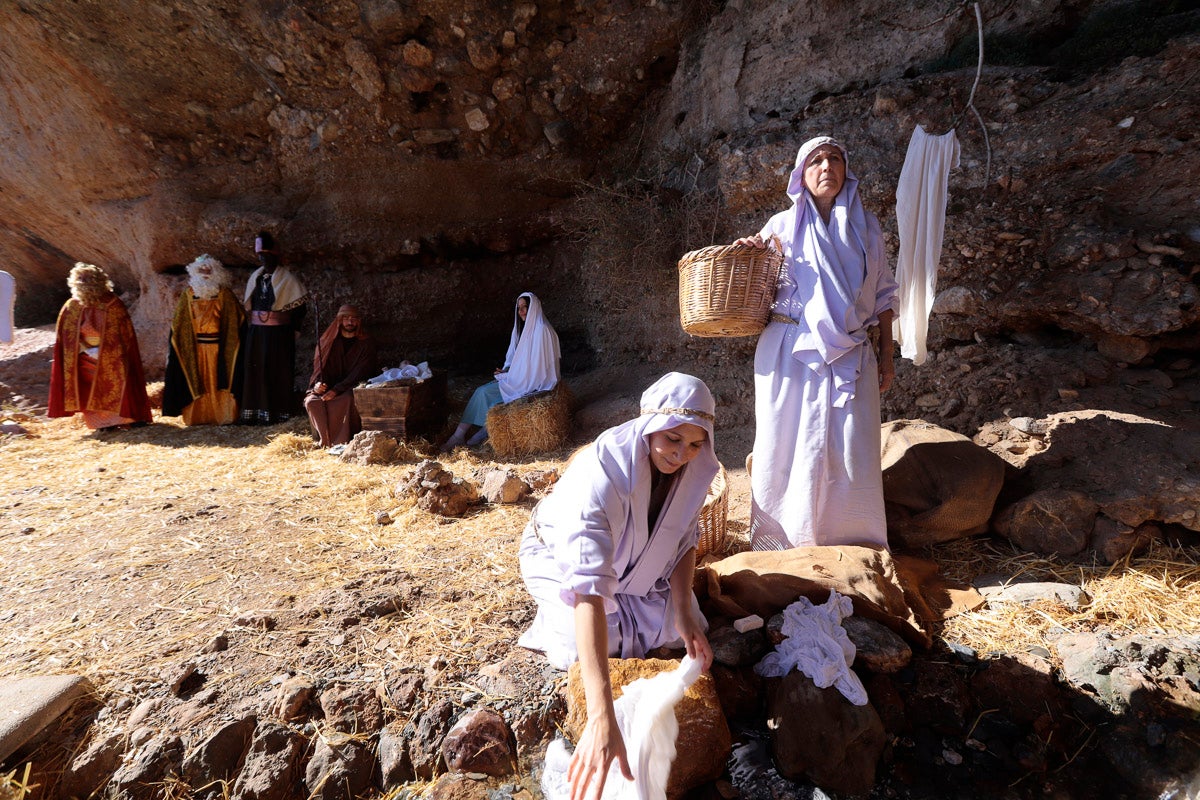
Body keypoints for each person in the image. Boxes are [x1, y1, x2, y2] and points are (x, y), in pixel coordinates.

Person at [518, 372, 719, 799]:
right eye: (672, 440)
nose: (682, 454)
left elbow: (684, 538)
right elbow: (588, 589)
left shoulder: (692, 470)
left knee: (685, 625)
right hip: (557, 558)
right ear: (649, 425)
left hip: (636, 567)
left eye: (695, 444)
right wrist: (600, 715)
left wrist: (683, 606)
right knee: (582, 646)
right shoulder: (603, 473)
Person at [735, 135, 898, 550]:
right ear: (801, 176)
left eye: (835, 159)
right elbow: (756, 280)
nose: (827, 167)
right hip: (791, 350)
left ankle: (851, 542)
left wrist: (887, 357)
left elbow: (883, 296)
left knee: (850, 448)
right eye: (817, 161)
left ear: (847, 170)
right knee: (785, 442)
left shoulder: (867, 228)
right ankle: (782, 544)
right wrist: (749, 252)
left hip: (852, 353)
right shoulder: (780, 226)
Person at [441, 291, 559, 450]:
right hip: (520, 378)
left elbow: (537, 369)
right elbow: (521, 362)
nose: (521, 311)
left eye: (525, 307)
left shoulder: (542, 331)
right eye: (519, 308)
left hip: (532, 383)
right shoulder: (526, 331)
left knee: (482, 392)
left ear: (534, 308)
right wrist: (507, 370)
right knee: (492, 390)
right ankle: (484, 430)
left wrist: (510, 375)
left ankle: (458, 436)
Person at [48, 262, 152, 430]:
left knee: (115, 385)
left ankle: (126, 420)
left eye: (88, 278)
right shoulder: (71, 306)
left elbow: (122, 334)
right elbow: (66, 338)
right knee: (88, 389)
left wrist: (103, 350)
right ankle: (102, 425)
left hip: (112, 355)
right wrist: (84, 349)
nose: (84, 282)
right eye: (80, 278)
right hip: (84, 356)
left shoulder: (113, 303)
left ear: (98, 281)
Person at [162, 254, 244, 425]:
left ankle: (223, 416)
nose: (205, 272)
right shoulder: (188, 295)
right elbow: (179, 323)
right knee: (197, 380)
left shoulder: (224, 294)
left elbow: (236, 320)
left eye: (209, 269)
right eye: (201, 269)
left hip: (218, 348)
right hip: (196, 349)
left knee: (220, 379)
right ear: (195, 272)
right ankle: (198, 416)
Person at [240, 231, 308, 424]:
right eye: (260, 255)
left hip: (279, 334)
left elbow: (299, 309)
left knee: (277, 371)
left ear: (275, 256)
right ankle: (254, 413)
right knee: (255, 370)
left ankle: (277, 414)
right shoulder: (256, 278)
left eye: (266, 255)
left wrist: (294, 330)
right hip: (257, 334)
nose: (262, 258)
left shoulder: (288, 280)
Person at [304, 304, 377, 448]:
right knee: (312, 401)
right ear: (339, 321)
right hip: (329, 386)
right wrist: (318, 385)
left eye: (354, 319)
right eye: (346, 318)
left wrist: (337, 390)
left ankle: (341, 442)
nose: (350, 322)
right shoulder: (328, 342)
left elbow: (361, 372)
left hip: (350, 386)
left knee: (346, 400)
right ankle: (324, 442)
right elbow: (320, 368)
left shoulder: (366, 344)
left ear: (359, 321)